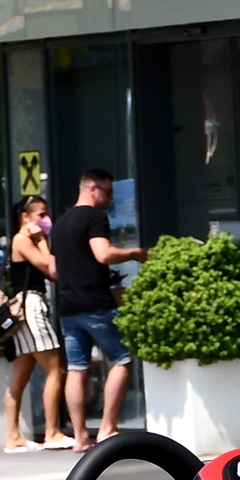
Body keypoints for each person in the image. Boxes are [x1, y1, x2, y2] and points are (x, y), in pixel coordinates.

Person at [51, 169, 146, 450]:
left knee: (77, 368)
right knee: (122, 358)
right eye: (107, 191)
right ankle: (107, 429)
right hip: (95, 303)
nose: (110, 198)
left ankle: (80, 436)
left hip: (68, 306)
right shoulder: (94, 218)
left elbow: (54, 270)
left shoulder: (60, 223)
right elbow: (103, 254)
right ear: (92, 188)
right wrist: (135, 253)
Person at [1, 195, 70, 452]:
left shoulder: (20, 240)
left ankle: (14, 436)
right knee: (55, 368)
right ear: (25, 217)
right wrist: (41, 239)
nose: (45, 220)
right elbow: (51, 270)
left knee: (22, 371)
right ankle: (52, 432)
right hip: (30, 307)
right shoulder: (22, 239)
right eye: (40, 215)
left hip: (23, 308)